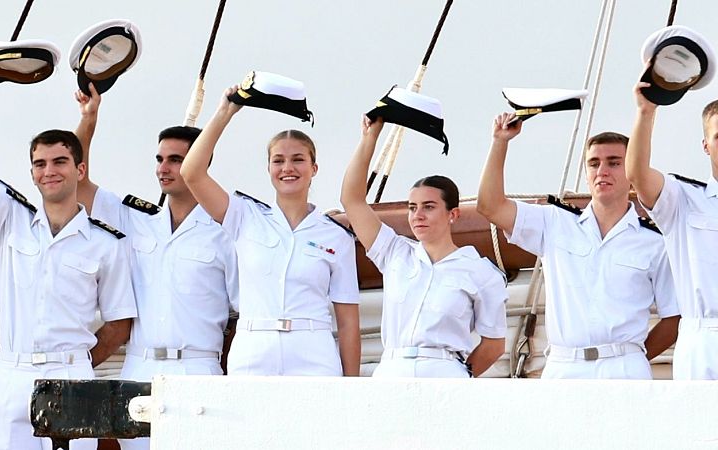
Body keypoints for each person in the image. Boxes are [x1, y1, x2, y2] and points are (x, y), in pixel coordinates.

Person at [0, 74, 137, 450]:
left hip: (72, 374)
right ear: (32, 174)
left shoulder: (106, 243)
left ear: (79, 170)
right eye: (40, 164)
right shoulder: (8, 221)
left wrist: (78, 361)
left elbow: (119, 324)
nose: (49, 171)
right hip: (13, 373)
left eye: (59, 162)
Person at [72, 86, 238, 450]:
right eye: (160, 159)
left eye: (176, 160)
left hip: (199, 369)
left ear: (201, 162)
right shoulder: (136, 220)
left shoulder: (226, 233)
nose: (163, 168)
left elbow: (244, 311)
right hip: (139, 368)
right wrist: (89, 120)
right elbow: (77, 184)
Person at [478, 112, 680, 379]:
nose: (602, 171)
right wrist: (500, 141)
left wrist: (635, 357)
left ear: (632, 171)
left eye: (614, 163)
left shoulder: (655, 242)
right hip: (564, 367)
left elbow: (673, 317)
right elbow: (490, 207)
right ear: (586, 174)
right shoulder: (553, 222)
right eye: (594, 163)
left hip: (625, 367)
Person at [180, 85, 361, 376]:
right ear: (268, 168)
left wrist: (351, 387)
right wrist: (225, 112)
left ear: (314, 168)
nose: (287, 167)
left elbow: (348, 321)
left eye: (298, 159)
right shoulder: (244, 216)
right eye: (278, 160)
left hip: (313, 352)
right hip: (254, 349)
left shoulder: (336, 236)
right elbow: (191, 172)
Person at [340, 116, 507, 378]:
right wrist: (370, 137)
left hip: (445, 371)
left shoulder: (480, 272)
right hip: (392, 370)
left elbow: (494, 344)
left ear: (453, 214)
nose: (418, 215)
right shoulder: (395, 253)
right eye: (412, 208)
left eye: (428, 207)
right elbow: (352, 200)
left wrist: (459, 375)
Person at [626, 82, 718, 380]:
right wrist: (646, 111)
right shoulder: (683, 199)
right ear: (705, 145)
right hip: (704, 341)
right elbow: (637, 174)